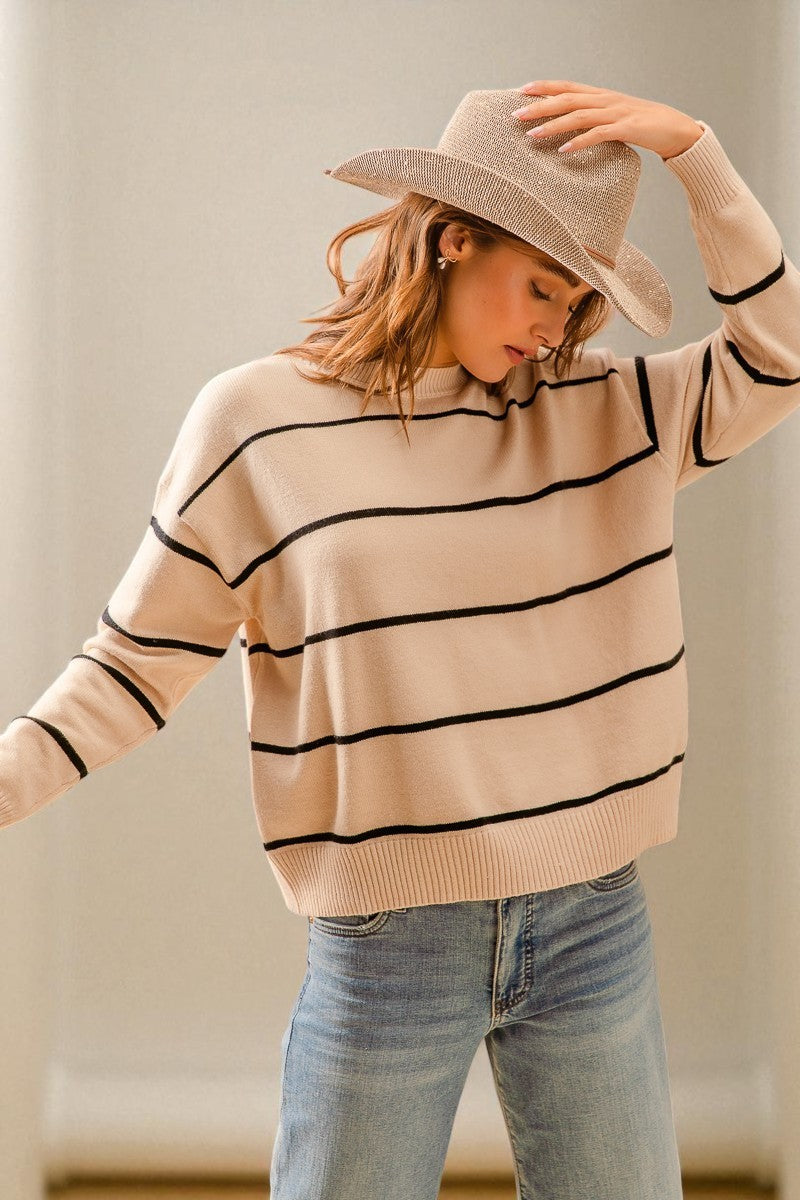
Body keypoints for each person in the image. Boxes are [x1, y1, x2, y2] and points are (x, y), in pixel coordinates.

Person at [1, 81, 799, 1198]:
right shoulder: (256, 425)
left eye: (576, 306)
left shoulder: (607, 412)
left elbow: (778, 352)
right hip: (388, 946)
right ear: (450, 238)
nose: (553, 328)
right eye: (539, 287)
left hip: (592, 921)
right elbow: (135, 666)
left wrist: (695, 155)